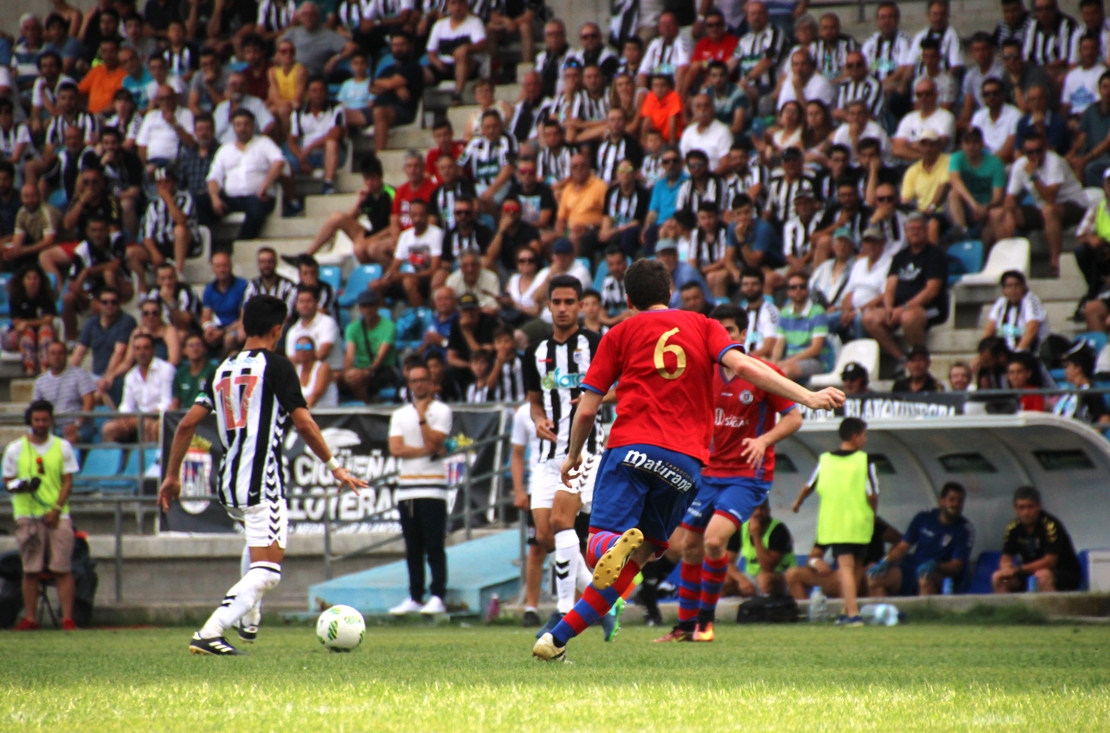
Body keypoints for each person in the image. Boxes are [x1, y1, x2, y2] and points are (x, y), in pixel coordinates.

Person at [532, 259, 844, 661]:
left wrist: (571, 457)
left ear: (628, 300)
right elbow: (746, 365)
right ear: (670, 294)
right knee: (641, 556)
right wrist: (809, 396)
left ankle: (611, 544)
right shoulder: (703, 325)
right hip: (686, 465)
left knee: (598, 548)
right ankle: (557, 639)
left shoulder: (619, 334)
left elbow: (588, 411)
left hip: (630, 449)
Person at [160, 295, 367, 654]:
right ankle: (211, 631)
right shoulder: (278, 367)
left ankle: (250, 616)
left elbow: (186, 425)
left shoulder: (221, 367)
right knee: (269, 573)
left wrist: (171, 476)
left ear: (243, 325)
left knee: (255, 550)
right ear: (278, 329)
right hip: (263, 482)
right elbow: (304, 423)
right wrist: (335, 467)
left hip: (229, 482)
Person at [670, 304, 802, 641]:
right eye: (719, 330)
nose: (724, 337)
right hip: (707, 475)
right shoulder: (704, 372)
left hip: (746, 476)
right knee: (688, 546)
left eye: (730, 330)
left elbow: (793, 417)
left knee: (715, 540)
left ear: (744, 335)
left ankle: (706, 622)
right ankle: (685, 627)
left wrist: (764, 439)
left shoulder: (762, 372)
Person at [522, 275, 606, 637]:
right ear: (548, 305)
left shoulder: (596, 344)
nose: (562, 309)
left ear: (581, 305)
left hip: (583, 450)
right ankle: (603, 601)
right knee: (544, 535)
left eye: (569, 302)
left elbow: (621, 389)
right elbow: (534, 401)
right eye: (556, 302)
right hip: (546, 455)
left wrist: (594, 398)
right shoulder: (534, 352)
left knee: (561, 521)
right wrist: (539, 420)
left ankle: (563, 612)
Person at [791, 417, 879, 626]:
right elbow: (872, 493)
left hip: (836, 522)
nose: (866, 439)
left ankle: (849, 612)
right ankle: (850, 612)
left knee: (848, 567)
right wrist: (872, 514)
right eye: (865, 435)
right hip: (860, 522)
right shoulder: (865, 461)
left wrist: (797, 503)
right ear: (855, 436)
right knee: (854, 567)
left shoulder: (825, 460)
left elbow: (809, 485)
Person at [4, 400, 81, 631]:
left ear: (51, 420)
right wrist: (20, 486)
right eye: (36, 420)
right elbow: (7, 480)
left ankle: (67, 618)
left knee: (62, 567)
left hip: (57, 513)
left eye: (45, 419)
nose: (40, 424)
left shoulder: (62, 447)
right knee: (31, 569)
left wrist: (57, 509)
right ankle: (31, 618)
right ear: (30, 421)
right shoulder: (16, 448)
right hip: (27, 512)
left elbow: (68, 480)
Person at [386, 363, 453, 616]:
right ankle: (415, 596)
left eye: (423, 379)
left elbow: (435, 441)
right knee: (412, 547)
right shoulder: (400, 414)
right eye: (414, 381)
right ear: (409, 384)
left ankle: (438, 595)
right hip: (407, 489)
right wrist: (428, 450)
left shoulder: (441, 411)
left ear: (431, 381)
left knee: (434, 544)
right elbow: (396, 449)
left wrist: (423, 417)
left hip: (433, 489)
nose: (419, 385)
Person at [989, 134, 1087, 277]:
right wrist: (1009, 214)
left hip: (1073, 205)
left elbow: (1050, 198)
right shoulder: (1020, 165)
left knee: (1048, 211)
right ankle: (1009, 266)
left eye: (1038, 151)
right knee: (997, 214)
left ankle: (1054, 263)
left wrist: (1034, 176)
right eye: (1030, 152)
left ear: (1044, 149)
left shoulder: (1054, 162)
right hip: (1042, 207)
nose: (1035, 155)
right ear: (1024, 152)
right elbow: (1010, 198)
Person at [862, 213, 949, 362]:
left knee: (908, 317)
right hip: (899, 307)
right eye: (911, 229)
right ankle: (903, 359)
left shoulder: (935, 255)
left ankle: (918, 357)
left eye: (918, 228)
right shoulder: (900, 256)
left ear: (926, 230)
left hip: (929, 308)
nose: (914, 232)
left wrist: (904, 308)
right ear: (906, 232)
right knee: (869, 318)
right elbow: (890, 286)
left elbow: (931, 290)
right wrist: (889, 308)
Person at [206, 109, 286, 242]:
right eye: (238, 124)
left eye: (246, 124)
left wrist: (264, 187)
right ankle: (212, 244)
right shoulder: (225, 149)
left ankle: (240, 244)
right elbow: (213, 177)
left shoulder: (264, 143)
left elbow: (279, 162)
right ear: (233, 127)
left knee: (256, 210)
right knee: (200, 202)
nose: (242, 128)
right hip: (231, 199)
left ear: (253, 125)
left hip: (258, 196)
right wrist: (214, 198)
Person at [992, 486, 1082, 593]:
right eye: (1021, 508)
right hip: (1028, 572)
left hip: (1062, 573)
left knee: (1042, 575)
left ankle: (1049, 609)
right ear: (1015, 509)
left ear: (1038, 506)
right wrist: (1006, 569)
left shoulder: (1050, 525)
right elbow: (1006, 558)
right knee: (999, 578)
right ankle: (1007, 609)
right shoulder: (1013, 528)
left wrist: (1019, 569)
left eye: (1030, 507)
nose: (1026, 512)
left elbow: (1050, 561)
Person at [129, 165, 197, 291]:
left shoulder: (186, 198)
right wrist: (154, 253)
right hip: (160, 244)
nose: (163, 186)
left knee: (180, 230)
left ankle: (178, 272)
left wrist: (168, 199)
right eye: (159, 183)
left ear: (174, 182)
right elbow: (146, 236)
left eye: (166, 182)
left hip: (183, 242)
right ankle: (142, 287)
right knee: (131, 252)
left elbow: (181, 220)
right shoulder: (152, 205)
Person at [101, 333, 174, 443]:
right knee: (108, 428)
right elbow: (126, 405)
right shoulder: (131, 376)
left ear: (153, 350)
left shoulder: (166, 369)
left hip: (157, 418)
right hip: (136, 419)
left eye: (146, 348)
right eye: (138, 349)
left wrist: (140, 418)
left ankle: (150, 460)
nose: (142, 352)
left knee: (148, 426)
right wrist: (125, 419)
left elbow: (166, 403)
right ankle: (115, 460)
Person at [510, 401, 543, 625]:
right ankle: (531, 607)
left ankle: (579, 610)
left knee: (580, 547)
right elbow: (517, 453)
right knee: (537, 547)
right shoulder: (524, 412)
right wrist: (519, 489)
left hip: (575, 482)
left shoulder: (571, 400)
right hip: (539, 485)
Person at [286, 77, 345, 195]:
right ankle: (292, 201)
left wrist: (309, 148)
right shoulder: (298, 113)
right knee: (282, 163)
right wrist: (300, 158)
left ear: (326, 92)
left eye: (321, 90)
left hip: (331, 153)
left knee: (331, 143)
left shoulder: (336, 108)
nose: (318, 94)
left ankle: (328, 184)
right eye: (314, 91)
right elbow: (292, 140)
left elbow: (335, 134)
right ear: (307, 93)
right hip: (306, 156)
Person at [368, 33, 424, 154]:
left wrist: (389, 84)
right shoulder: (387, 69)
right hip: (376, 107)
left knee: (379, 112)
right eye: (395, 45)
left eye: (402, 44)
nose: (398, 48)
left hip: (402, 110)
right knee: (344, 114)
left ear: (410, 46)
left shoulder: (413, 67)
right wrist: (394, 86)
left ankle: (379, 157)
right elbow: (372, 88)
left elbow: (389, 84)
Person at [340, 290, 398, 404]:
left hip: (383, 369)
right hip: (360, 368)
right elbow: (350, 356)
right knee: (337, 378)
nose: (368, 309)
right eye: (364, 306)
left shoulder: (389, 326)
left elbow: (380, 357)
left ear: (377, 306)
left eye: (371, 305)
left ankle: (364, 409)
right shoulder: (352, 328)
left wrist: (367, 372)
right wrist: (347, 373)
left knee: (359, 380)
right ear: (360, 308)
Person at [33, 342, 96, 444]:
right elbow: (36, 409)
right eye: (53, 353)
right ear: (48, 357)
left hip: (79, 427)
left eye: (60, 353)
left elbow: (89, 403)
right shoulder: (39, 382)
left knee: (66, 444)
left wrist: (77, 424)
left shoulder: (80, 375)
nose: (57, 356)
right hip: (51, 428)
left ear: (66, 356)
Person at [947, 127, 1006, 238]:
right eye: (967, 142)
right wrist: (973, 203)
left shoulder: (995, 163)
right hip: (968, 206)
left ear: (982, 143)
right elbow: (955, 180)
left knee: (995, 216)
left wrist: (985, 208)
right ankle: (962, 232)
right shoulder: (957, 157)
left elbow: (998, 197)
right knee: (953, 194)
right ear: (962, 145)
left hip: (988, 207)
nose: (971, 146)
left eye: (975, 142)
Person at [424, 0, 487, 103]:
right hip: (444, 65)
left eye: (460, 3)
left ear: (465, 5)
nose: (457, 7)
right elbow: (431, 52)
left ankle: (457, 95)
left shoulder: (475, 22)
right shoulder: (439, 25)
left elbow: (482, 44)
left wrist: (466, 47)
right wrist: (436, 62)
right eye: (453, 3)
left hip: (468, 66)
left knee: (462, 56)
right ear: (448, 6)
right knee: (418, 72)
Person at [774, 273, 833, 381]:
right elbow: (779, 344)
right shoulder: (784, 313)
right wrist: (773, 362)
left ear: (808, 290)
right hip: (790, 360)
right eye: (793, 287)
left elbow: (815, 349)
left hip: (815, 360)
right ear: (788, 292)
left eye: (802, 286)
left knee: (786, 371)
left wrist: (788, 361)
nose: (798, 290)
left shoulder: (818, 312)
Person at [1, 264, 57, 376]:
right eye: (29, 278)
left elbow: (48, 320)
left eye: (35, 278)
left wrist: (27, 323)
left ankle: (44, 367)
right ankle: (29, 368)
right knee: (27, 333)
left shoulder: (46, 296)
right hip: (21, 336)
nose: (32, 281)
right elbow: (17, 323)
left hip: (41, 334)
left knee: (45, 330)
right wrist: (28, 324)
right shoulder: (16, 296)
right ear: (23, 281)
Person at [985, 270, 1050, 354]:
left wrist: (1017, 354)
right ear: (1003, 290)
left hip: (1029, 354)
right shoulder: (1001, 303)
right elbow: (990, 328)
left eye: (1017, 285)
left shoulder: (1031, 300)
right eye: (1009, 286)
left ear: (1023, 287)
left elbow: (1032, 329)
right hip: (1005, 355)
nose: (1013, 289)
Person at [201, 252, 249, 354]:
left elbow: (244, 317)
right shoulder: (209, 289)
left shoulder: (243, 286)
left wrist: (223, 332)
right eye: (218, 266)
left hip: (238, 327)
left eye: (225, 266)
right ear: (213, 269)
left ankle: (225, 365)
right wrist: (208, 328)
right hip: (218, 327)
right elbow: (206, 316)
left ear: (231, 266)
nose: (222, 270)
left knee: (229, 338)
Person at [285, 285, 341, 369]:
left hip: (331, 371)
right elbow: (292, 359)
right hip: (303, 374)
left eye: (309, 301)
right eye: (301, 301)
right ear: (296, 305)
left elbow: (323, 353)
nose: (305, 305)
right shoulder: (293, 331)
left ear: (316, 303)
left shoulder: (327, 322)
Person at [1054, 342, 1110, 425]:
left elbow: (1104, 418)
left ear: (1078, 369)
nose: (1065, 370)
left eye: (1068, 366)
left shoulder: (1090, 392)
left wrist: (1089, 434)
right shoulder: (1071, 391)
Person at [737, 267, 780, 359]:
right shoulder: (740, 311)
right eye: (746, 284)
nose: (750, 288)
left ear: (762, 286)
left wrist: (745, 357)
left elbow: (768, 348)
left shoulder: (771, 312)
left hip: (761, 360)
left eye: (754, 284)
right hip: (742, 359)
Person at [170, 333, 216, 410]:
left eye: (198, 345)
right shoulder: (180, 373)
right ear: (184, 350)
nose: (195, 349)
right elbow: (175, 402)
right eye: (191, 346)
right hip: (185, 413)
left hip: (208, 414)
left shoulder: (213, 371)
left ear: (205, 348)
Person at [292, 335, 338, 408]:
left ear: (314, 350)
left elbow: (315, 395)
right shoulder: (295, 369)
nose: (303, 351)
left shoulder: (323, 367)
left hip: (326, 416)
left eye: (307, 347)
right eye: (299, 347)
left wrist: (299, 414)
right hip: (305, 415)